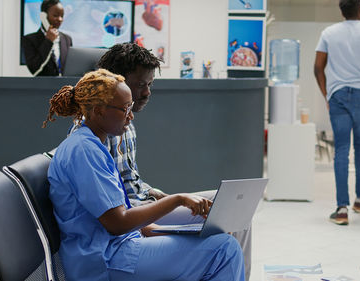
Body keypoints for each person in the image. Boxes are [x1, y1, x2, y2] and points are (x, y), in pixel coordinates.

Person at [69, 42, 254, 280]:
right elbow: (115, 214)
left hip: (137, 211)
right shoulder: (95, 136)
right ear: (115, 84)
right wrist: (169, 211)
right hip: (128, 228)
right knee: (222, 243)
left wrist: (163, 196)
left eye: (150, 85)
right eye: (140, 85)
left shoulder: (121, 123)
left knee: (232, 212)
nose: (147, 93)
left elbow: (129, 180)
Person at [314, 0, 360, 225]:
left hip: (338, 96)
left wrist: (328, 94)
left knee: (341, 150)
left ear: (342, 11)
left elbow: (318, 67)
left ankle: (341, 209)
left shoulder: (328, 32)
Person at [22, 0, 72, 76]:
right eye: (55, 15)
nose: (60, 19)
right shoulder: (30, 40)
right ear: (43, 16)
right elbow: (34, 70)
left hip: (65, 86)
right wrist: (48, 41)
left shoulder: (67, 39)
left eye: (62, 16)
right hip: (43, 86)